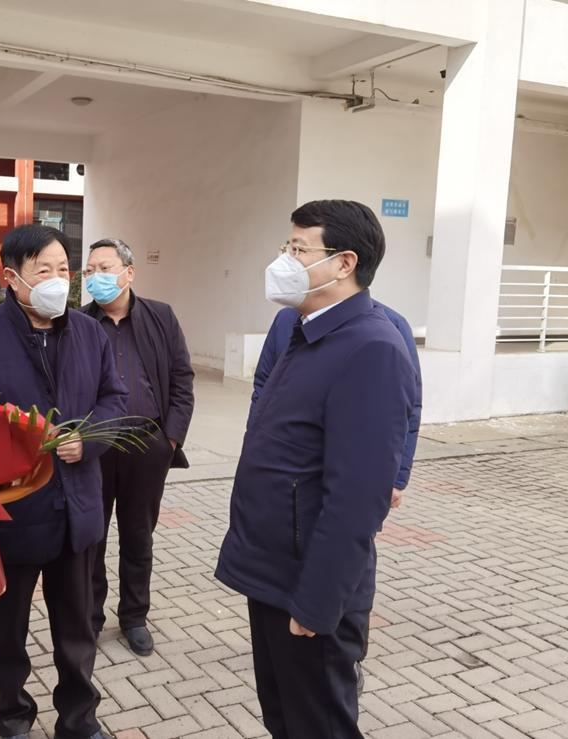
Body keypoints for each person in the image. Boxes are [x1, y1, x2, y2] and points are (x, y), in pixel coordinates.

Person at [215, 200, 417, 739]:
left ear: (344, 262)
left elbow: (357, 499)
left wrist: (318, 602)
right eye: (287, 246)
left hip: (308, 584)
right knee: (284, 719)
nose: (284, 260)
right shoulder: (305, 330)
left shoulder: (371, 348)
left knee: (318, 725)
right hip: (273, 571)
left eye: (299, 249)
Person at [0, 224, 126, 739]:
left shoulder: (89, 333)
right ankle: (12, 713)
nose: (59, 280)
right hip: (12, 513)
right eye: (44, 270)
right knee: (9, 629)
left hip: (77, 510)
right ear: (12, 277)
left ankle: (79, 719)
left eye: (65, 269)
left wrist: (87, 439)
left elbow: (115, 399)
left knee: (77, 628)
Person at [81, 238, 195, 656]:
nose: (95, 277)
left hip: (147, 445)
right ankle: (89, 616)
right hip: (94, 447)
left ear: (129, 273)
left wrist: (170, 439)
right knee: (90, 537)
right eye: (89, 270)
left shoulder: (160, 317)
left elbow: (182, 379)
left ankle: (134, 617)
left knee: (138, 536)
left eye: (104, 268)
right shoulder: (78, 323)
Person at [252, 301, 422, 508]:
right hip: (283, 468)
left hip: (349, 474)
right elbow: (263, 386)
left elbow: (408, 408)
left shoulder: (390, 326)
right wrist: (254, 444)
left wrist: (397, 478)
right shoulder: (286, 319)